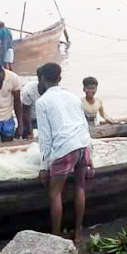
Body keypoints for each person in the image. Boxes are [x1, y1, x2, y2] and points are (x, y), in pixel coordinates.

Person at [36, 63, 92, 244]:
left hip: (64, 148)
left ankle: (56, 237)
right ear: (59, 79)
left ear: (43, 79)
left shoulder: (42, 102)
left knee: (54, 194)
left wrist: (44, 166)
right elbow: (84, 126)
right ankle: (77, 233)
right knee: (80, 187)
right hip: (81, 146)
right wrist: (90, 156)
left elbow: (45, 137)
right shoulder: (73, 97)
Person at [20, 68, 43, 139]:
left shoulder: (53, 90)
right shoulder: (29, 90)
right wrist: (30, 133)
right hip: (31, 119)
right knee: (25, 135)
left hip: (43, 118)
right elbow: (26, 114)